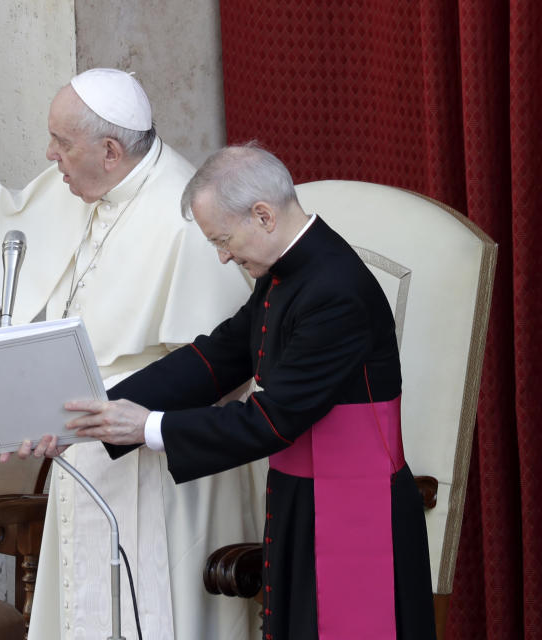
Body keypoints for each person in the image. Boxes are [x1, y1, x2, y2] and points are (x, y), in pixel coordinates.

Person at [0, 69, 264, 639]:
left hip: (161, 469)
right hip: (78, 448)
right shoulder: (75, 185)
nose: (49, 154)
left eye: (62, 142)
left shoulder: (186, 218)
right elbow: (7, 233)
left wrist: (119, 415)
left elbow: (218, 369)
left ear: (110, 151)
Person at [62, 143, 439, 639]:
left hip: (352, 512)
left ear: (262, 215)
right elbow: (220, 355)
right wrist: (97, 412)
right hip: (303, 497)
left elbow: (272, 418)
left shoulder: (333, 289)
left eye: (222, 239)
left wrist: (148, 427)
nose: (221, 257)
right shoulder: (287, 269)